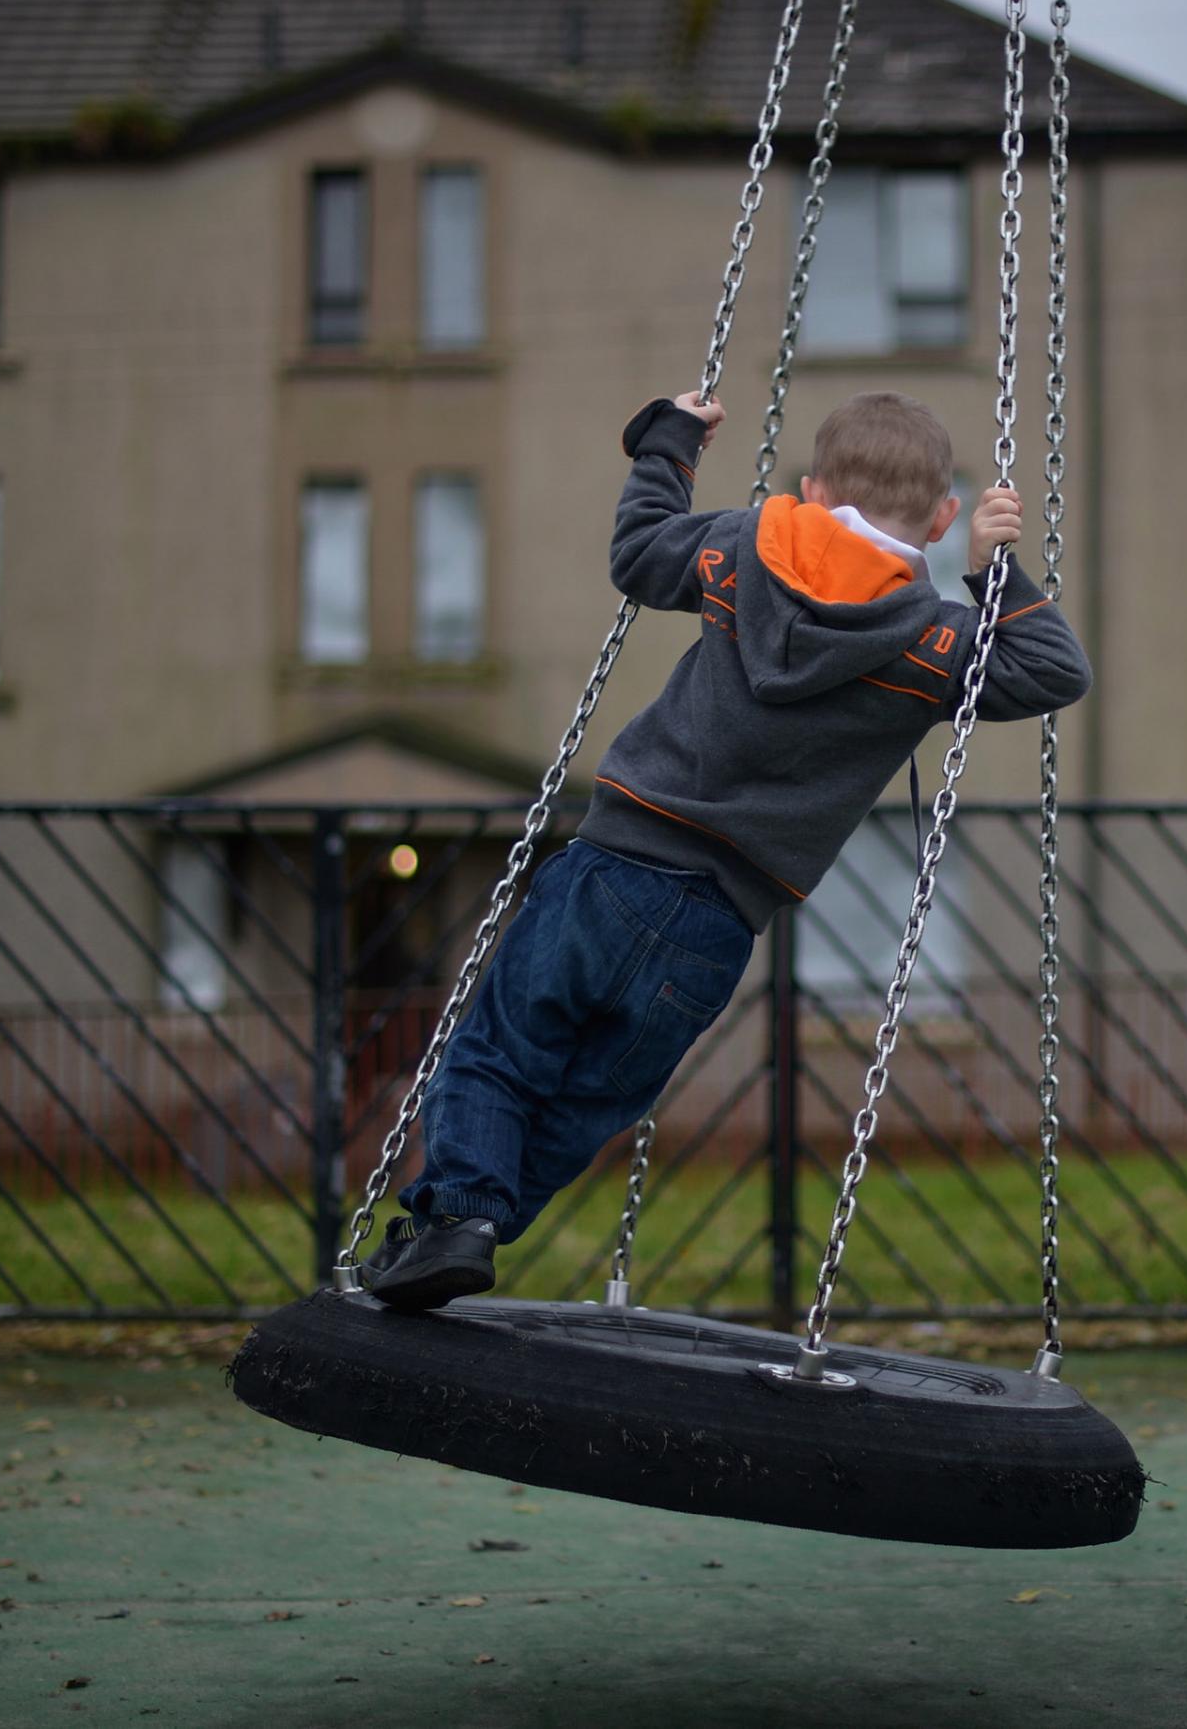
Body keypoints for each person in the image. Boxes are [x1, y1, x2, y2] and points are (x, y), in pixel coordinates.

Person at [362, 389, 1092, 1310]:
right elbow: (1053, 671)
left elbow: (637, 552)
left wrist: (667, 443)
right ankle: (471, 1228)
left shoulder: (743, 547)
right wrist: (993, 574)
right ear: (944, 515)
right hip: (714, 924)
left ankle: (456, 1219)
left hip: (612, 867)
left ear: (814, 489)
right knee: (590, 1100)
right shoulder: (936, 641)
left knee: (501, 1049)